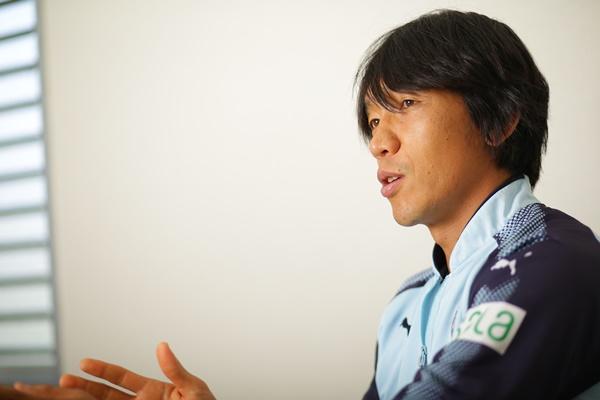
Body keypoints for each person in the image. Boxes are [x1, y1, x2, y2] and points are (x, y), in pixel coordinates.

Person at [11, 9, 600, 400]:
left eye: (405, 105)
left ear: (500, 119)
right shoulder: (408, 300)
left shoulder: (550, 263)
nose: (380, 142)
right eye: (373, 121)